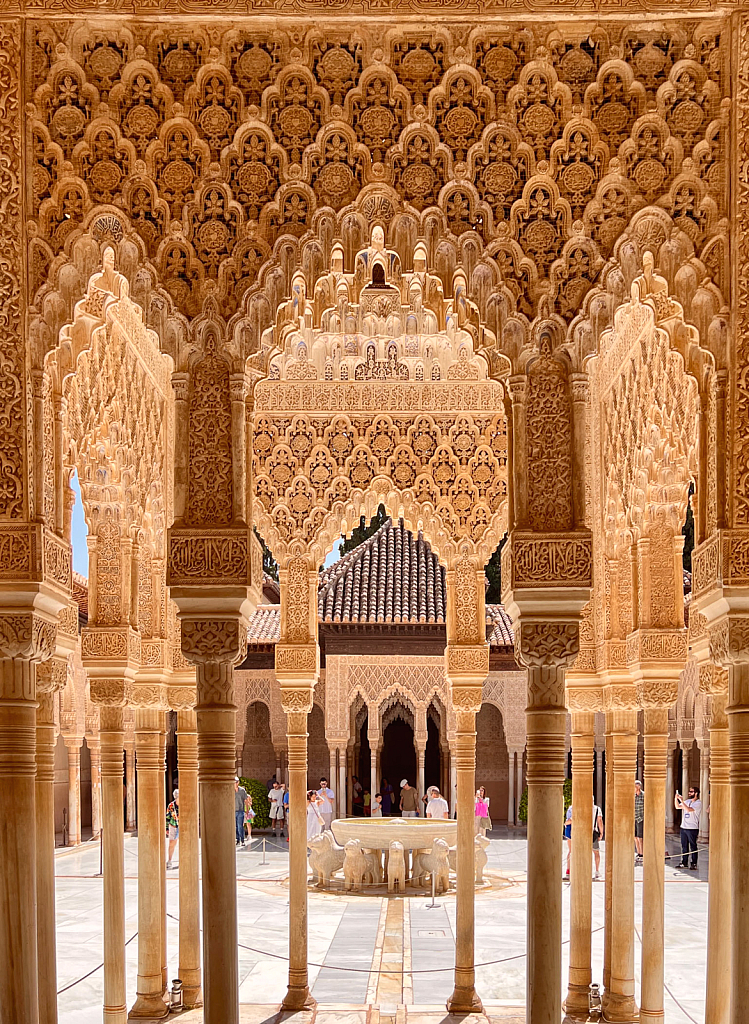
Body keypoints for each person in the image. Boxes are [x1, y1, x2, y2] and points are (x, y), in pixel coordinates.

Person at [676, 786, 702, 869]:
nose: (689, 793)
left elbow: (688, 809)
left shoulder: (698, 803)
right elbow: (677, 807)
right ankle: (684, 862)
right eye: (689, 791)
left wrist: (681, 801)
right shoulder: (687, 801)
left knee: (693, 846)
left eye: (691, 791)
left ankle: (694, 863)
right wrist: (676, 799)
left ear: (696, 793)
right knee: (684, 846)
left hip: (692, 827)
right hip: (684, 826)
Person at [166, 789, 179, 869]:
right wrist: (166, 828)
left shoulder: (185, 804)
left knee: (184, 844)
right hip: (173, 826)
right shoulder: (171, 805)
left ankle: (183, 861)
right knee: (172, 843)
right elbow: (168, 817)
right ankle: (169, 860)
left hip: (182, 827)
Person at [234, 777, 248, 847]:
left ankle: (242, 840)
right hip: (233, 811)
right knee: (235, 826)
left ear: (238, 782)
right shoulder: (230, 790)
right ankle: (237, 840)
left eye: (236, 782)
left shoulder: (242, 790)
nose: (235, 783)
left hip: (240, 810)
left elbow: (246, 800)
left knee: (240, 826)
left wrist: (247, 810)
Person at [593, 802, 604, 879]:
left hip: (583, 832)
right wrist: (601, 832)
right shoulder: (597, 809)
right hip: (593, 833)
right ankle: (597, 871)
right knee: (596, 852)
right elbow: (599, 821)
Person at [634, 780, 644, 861]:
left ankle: (642, 853)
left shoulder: (643, 795)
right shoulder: (633, 796)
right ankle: (638, 852)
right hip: (634, 818)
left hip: (641, 818)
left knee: (640, 837)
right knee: (635, 837)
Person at [564, 804, 572, 877]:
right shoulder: (571, 808)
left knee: (571, 851)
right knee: (571, 850)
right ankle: (568, 869)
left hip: (569, 828)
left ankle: (569, 869)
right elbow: (570, 820)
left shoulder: (570, 808)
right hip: (571, 830)